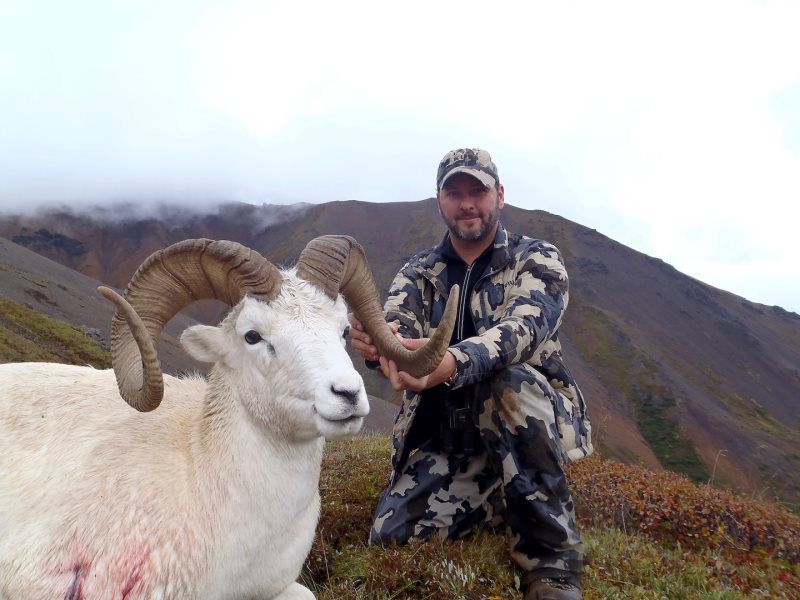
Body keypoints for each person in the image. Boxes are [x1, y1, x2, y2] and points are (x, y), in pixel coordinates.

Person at [348, 148, 593, 600]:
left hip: (522, 422)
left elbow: (522, 330)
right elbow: (395, 326)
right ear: (439, 201)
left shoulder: (538, 260)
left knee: (507, 382)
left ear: (499, 195)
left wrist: (452, 363)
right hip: (445, 436)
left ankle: (551, 568)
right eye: (454, 193)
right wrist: (378, 346)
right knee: (391, 537)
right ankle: (501, 495)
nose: (467, 204)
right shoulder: (418, 272)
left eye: (477, 192)